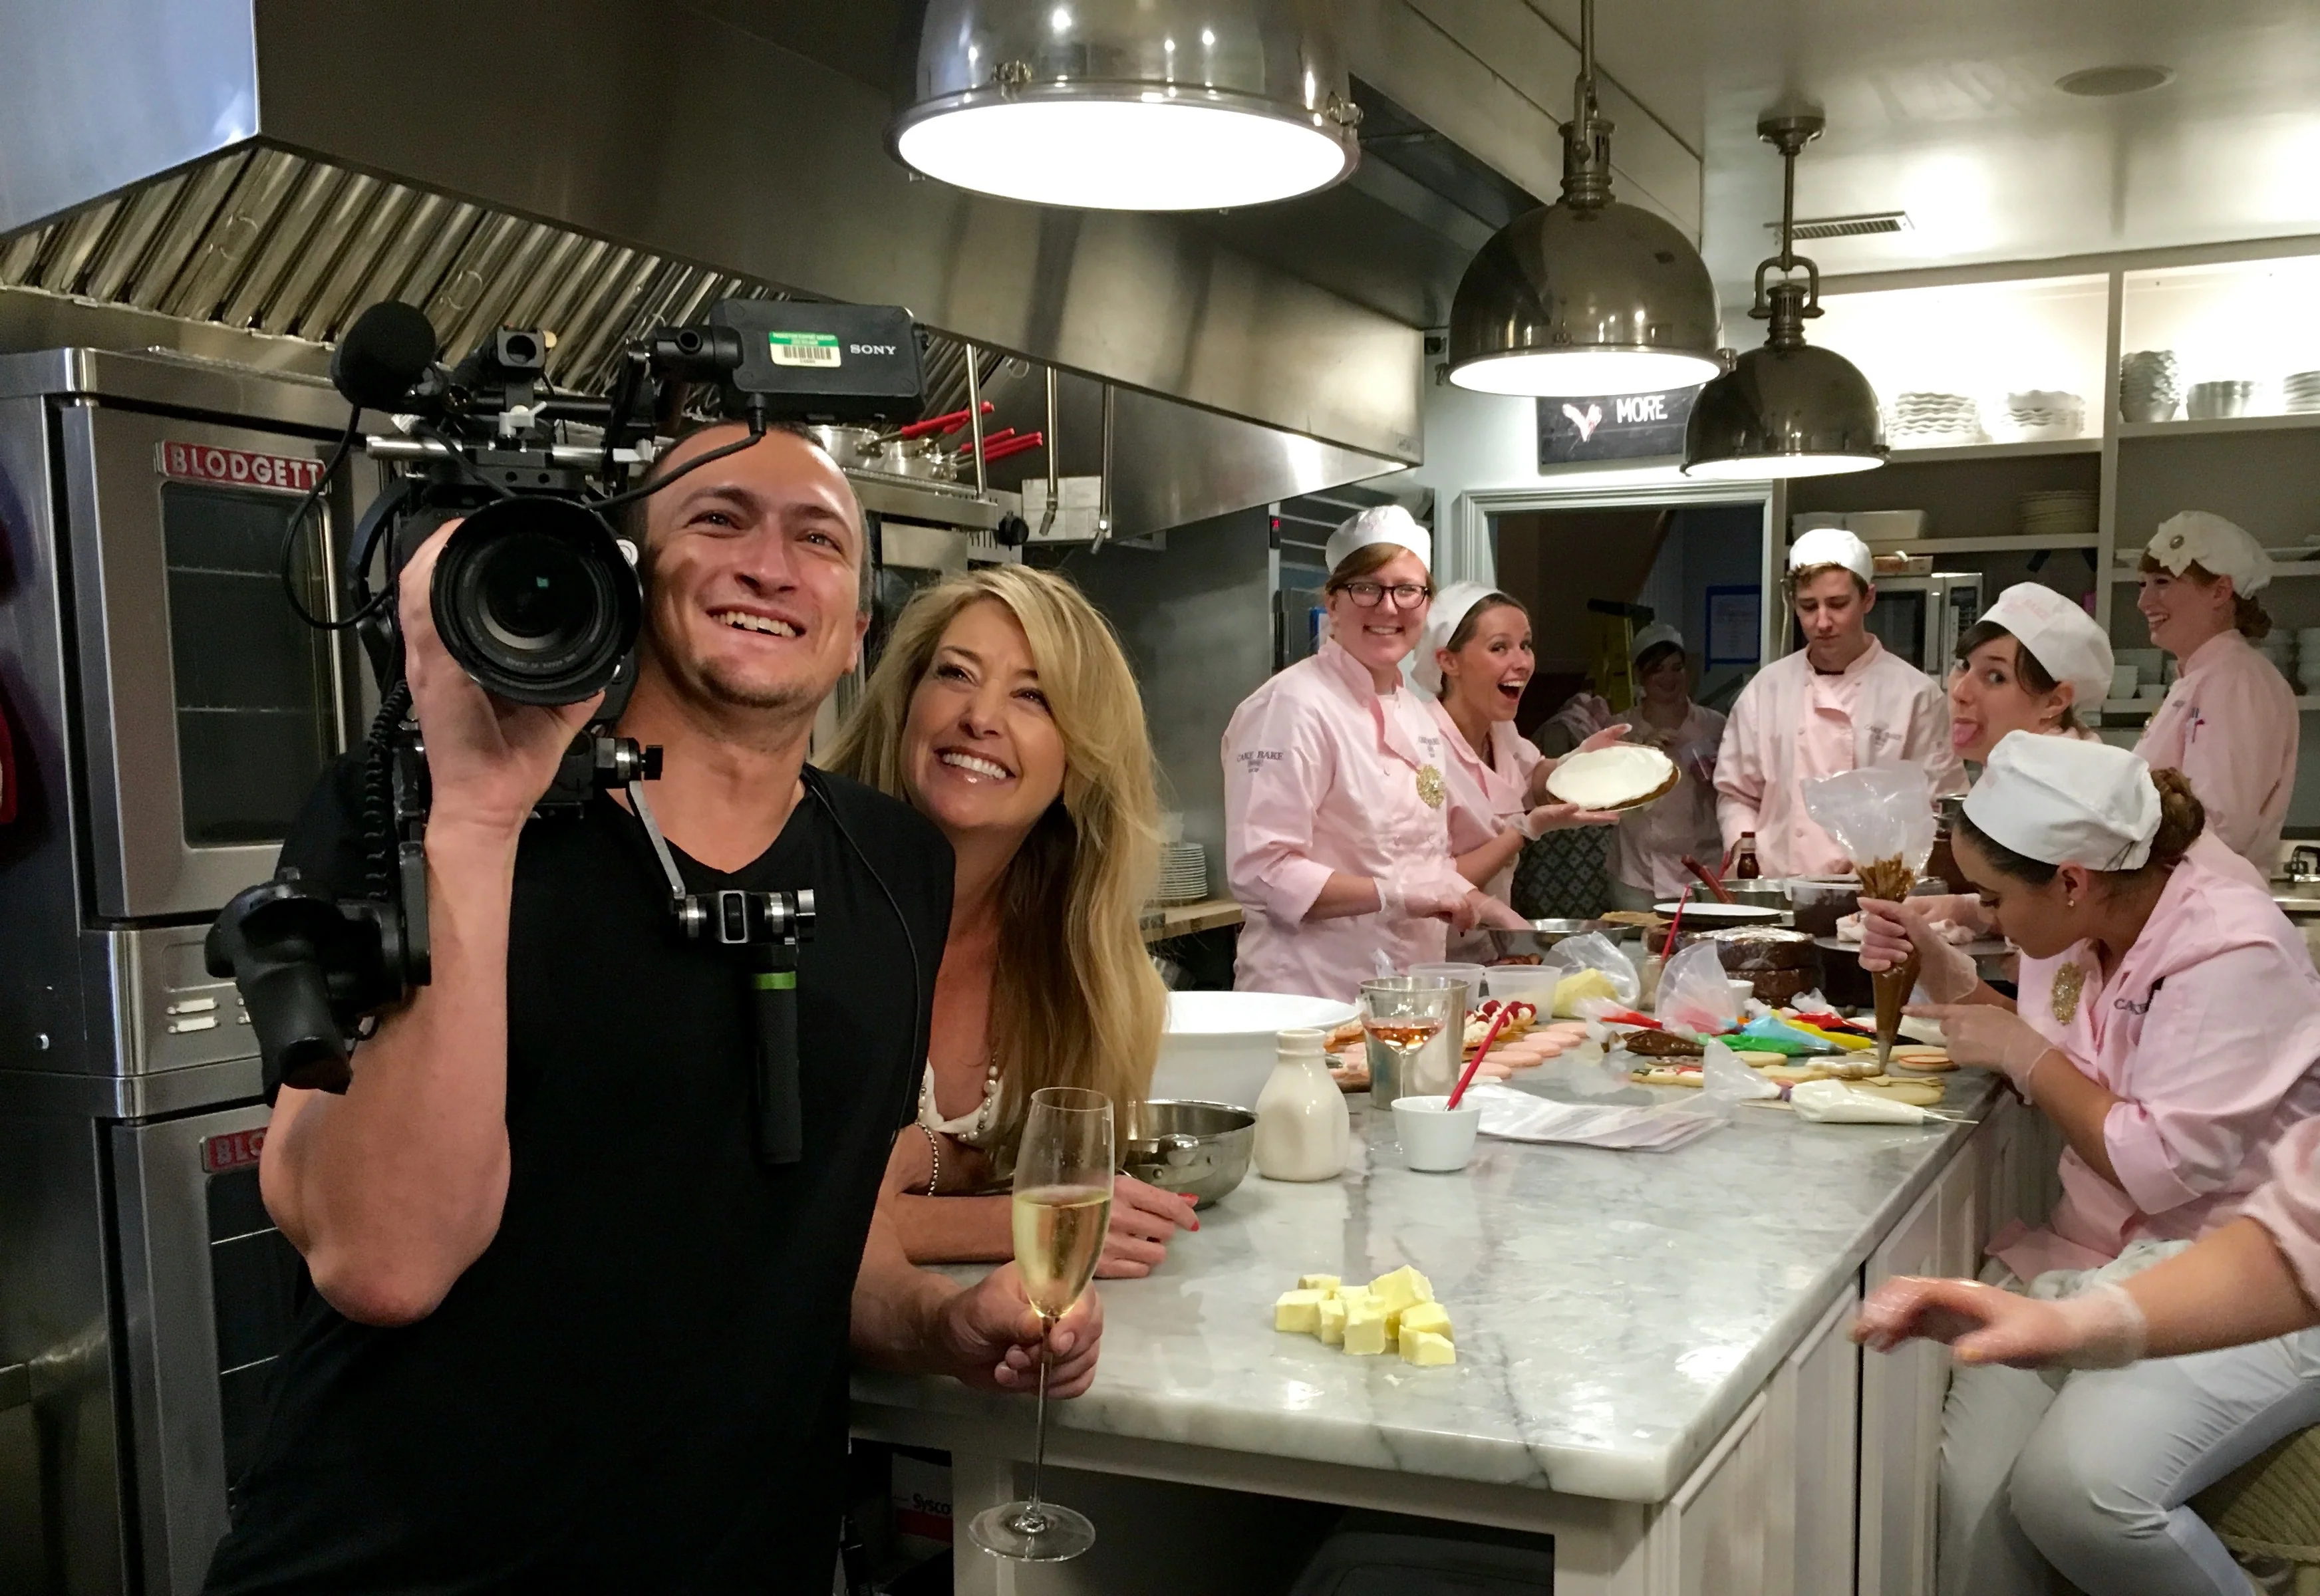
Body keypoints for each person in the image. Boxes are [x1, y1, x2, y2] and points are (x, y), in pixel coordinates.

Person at [203, 425, 1101, 1594]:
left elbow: (815, 1230)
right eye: (719, 520)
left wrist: (937, 1328)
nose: (771, 566)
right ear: (627, 581)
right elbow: (384, 1262)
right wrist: (476, 816)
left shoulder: (894, 868)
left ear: (855, 640)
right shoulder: (420, 810)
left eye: (816, 538)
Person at [1856, 732, 2320, 1596]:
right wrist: (1948, 976)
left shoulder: (2231, 951)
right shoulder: (2080, 934)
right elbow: (2080, 1056)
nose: (1988, 916)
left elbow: (2158, 1165)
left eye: (1995, 899)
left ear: (2072, 880)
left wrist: (2023, 1054)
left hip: (2248, 1272)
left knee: (2080, 1495)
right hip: (2088, 1258)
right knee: (1972, 1496)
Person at [823, 567, 1199, 1279]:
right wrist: (1026, 1221)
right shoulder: (808, 908)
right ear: (903, 702)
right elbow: (788, 1215)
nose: (980, 716)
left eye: (1032, 696)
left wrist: (942, 1164)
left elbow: (1059, 1168)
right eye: (955, 674)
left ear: (1080, 759)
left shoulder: (1079, 966)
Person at [1223, 507, 1536, 1000]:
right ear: (1333, 601)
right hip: (1311, 998)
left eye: (1408, 590)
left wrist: (1485, 906)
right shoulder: (1292, 707)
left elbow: (1420, 862)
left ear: (1426, 604)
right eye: (1366, 588)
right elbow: (1264, 872)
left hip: (1409, 995)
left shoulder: (1413, 714)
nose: (1389, 608)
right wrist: (1394, 896)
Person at [1713, 526, 1963, 878]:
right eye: (1808, 607)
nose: (1822, 622)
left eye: (1838, 604)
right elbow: (1737, 794)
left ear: (1868, 599)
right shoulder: (1766, 689)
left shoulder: (1914, 695)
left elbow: (1939, 809)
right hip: (1777, 890)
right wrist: (1744, 850)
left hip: (1873, 896)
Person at [1415, 581, 1622, 952]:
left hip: (1488, 953)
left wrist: (1579, 763)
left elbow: (1534, 778)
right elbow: (1427, 880)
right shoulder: (1418, 747)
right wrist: (1523, 831)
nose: (1523, 662)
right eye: (1500, 648)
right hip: (1430, 958)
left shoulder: (1501, 731)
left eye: (1525, 645)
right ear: (1448, 660)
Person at [2135, 510, 2298, 874]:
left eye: (2162, 582)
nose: (2144, 602)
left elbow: (2218, 824)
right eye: (2142, 585)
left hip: (2201, 904)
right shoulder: (2204, 677)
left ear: (2220, 591)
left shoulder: (2237, 680)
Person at [1605, 622, 1725, 912]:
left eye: (1677, 668)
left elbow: (1739, 792)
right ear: (1640, 675)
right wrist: (1638, 753)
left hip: (1703, 868)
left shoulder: (1714, 725)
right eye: (1658, 669)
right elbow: (1602, 799)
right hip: (1638, 872)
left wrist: (1718, 775)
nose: (1669, 678)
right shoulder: (1619, 729)